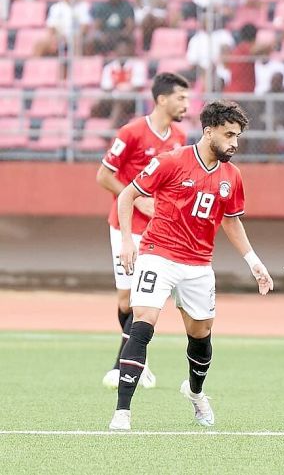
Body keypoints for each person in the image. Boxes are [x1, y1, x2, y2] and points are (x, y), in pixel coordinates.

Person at [108, 100, 274, 431]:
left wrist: (253, 261)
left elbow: (231, 221)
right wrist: (128, 241)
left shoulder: (232, 176)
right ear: (208, 131)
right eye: (229, 135)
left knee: (200, 334)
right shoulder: (171, 161)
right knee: (143, 322)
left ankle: (196, 393)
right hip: (158, 253)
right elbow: (127, 195)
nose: (234, 143)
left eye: (238, 136)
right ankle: (122, 412)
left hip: (198, 265)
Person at [95, 72, 189, 390]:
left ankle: (129, 363)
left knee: (143, 299)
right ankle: (133, 361)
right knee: (125, 298)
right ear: (162, 99)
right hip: (124, 226)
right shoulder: (132, 132)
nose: (185, 104)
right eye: (181, 98)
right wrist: (137, 200)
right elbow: (103, 175)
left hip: (157, 233)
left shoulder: (180, 136)